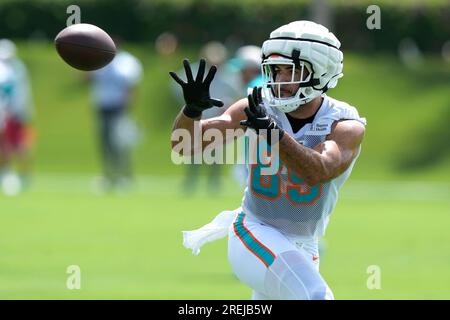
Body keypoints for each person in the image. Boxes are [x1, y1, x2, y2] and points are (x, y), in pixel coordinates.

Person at [171, 20, 366, 300]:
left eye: (291, 70)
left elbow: (318, 171)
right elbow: (184, 145)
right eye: (276, 70)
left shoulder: (344, 124)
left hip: (305, 246)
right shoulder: (258, 105)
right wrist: (190, 111)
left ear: (322, 71)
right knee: (315, 296)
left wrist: (271, 133)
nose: (280, 80)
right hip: (254, 229)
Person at [90, 46, 142, 192]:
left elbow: (131, 86)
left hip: (119, 109)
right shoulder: (100, 62)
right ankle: (109, 176)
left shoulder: (126, 62)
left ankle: (125, 176)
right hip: (102, 108)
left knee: (121, 145)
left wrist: (128, 107)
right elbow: (86, 78)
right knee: (104, 145)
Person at [0, 39, 34, 195]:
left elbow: (21, 93)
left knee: (19, 145)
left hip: (15, 113)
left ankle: (21, 175)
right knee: (7, 146)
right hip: (8, 113)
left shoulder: (17, 68)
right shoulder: (16, 68)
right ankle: (8, 174)